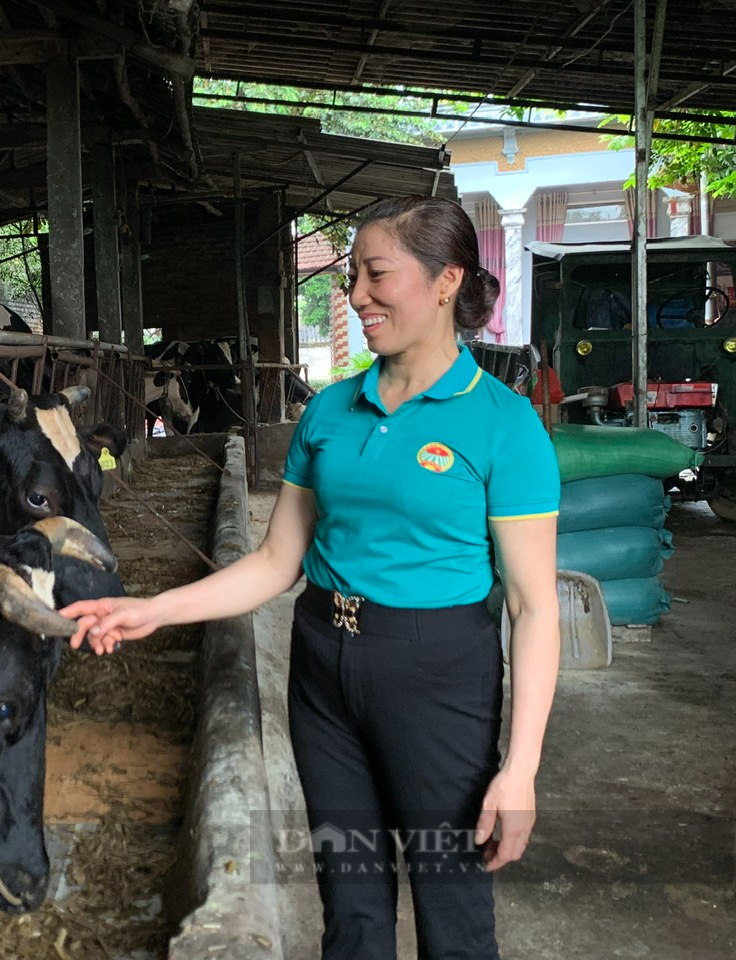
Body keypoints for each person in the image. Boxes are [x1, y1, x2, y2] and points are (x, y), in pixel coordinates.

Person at [61, 195, 560, 960]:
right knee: (351, 906)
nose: (356, 295)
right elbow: (273, 562)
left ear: (446, 281)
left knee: (450, 908)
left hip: (437, 676)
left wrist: (520, 768)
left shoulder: (502, 423)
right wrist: (153, 609)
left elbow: (531, 608)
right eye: (353, 275)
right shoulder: (329, 412)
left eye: (375, 274)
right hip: (323, 664)